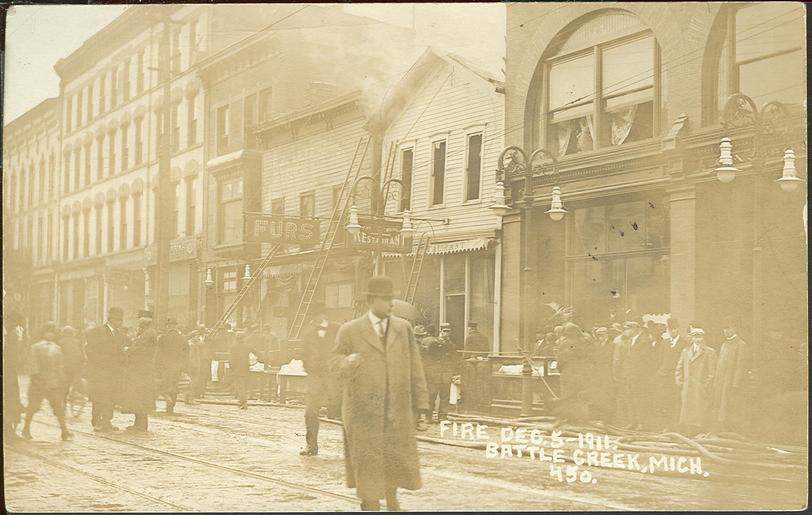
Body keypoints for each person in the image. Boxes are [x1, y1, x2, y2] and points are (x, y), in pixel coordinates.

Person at [330, 276, 428, 512]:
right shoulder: (350, 330)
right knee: (368, 460)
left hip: (396, 408)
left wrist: (422, 406)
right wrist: (347, 361)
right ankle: (370, 504)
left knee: (393, 457)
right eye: (385, 299)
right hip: (363, 410)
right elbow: (333, 363)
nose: (390, 303)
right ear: (371, 301)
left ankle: (392, 501)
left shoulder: (402, 329)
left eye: (391, 298)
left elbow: (415, 367)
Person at [299, 304, 340, 456]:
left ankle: (353, 448)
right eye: (314, 316)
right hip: (315, 378)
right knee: (310, 411)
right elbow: (304, 354)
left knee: (344, 411)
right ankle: (311, 446)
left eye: (319, 315)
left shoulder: (338, 329)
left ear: (324, 315)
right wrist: (310, 370)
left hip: (334, 377)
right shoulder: (308, 333)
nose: (317, 319)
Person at [21, 323, 73, 441]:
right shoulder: (36, 347)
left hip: (53, 383)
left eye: (52, 333)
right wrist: (36, 377)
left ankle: (64, 431)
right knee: (33, 407)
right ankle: (26, 428)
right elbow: (32, 363)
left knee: (58, 407)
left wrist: (62, 379)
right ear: (43, 333)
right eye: (48, 332)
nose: (50, 335)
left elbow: (60, 366)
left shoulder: (57, 348)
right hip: (38, 382)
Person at [84, 307, 127, 431]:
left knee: (111, 397)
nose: (120, 322)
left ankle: (107, 421)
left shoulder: (120, 334)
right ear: (110, 319)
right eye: (117, 320)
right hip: (100, 371)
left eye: (121, 320)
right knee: (99, 397)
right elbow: (89, 349)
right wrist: (99, 363)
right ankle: (97, 421)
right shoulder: (98, 332)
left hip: (114, 372)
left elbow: (121, 351)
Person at [675, 326, 717, 435]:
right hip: (687, 386)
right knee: (686, 410)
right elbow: (679, 368)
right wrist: (680, 382)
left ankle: (698, 431)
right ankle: (687, 430)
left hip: (699, 387)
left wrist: (704, 385)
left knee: (698, 410)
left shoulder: (709, 352)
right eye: (695, 337)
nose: (697, 339)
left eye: (699, 337)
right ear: (692, 338)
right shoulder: (685, 351)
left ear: (703, 338)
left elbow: (712, 372)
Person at [711, 317, 751, 433]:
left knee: (730, 406)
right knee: (720, 405)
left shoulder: (741, 345)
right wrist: (716, 381)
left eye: (729, 328)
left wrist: (735, 384)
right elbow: (720, 364)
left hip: (730, 382)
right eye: (724, 329)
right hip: (721, 381)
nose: (726, 331)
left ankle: (731, 430)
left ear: (735, 329)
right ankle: (721, 429)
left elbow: (740, 366)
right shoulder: (724, 344)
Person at [121, 310, 158, 432]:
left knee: (141, 396)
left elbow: (142, 350)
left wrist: (128, 350)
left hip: (142, 370)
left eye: (139, 318)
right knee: (137, 396)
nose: (138, 321)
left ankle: (141, 425)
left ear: (144, 319)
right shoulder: (144, 332)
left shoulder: (148, 333)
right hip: (139, 369)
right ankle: (138, 423)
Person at [420, 322, 458, 423]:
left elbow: (454, 357)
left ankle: (443, 416)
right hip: (434, 373)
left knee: (445, 396)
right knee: (432, 395)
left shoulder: (451, 345)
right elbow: (432, 355)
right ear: (440, 332)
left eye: (448, 332)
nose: (446, 334)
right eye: (444, 331)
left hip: (446, 373)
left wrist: (453, 372)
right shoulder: (434, 343)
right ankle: (428, 416)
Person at [655, 317, 686, 431]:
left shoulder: (684, 343)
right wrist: (660, 371)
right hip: (664, 377)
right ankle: (666, 426)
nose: (672, 331)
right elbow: (660, 359)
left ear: (678, 329)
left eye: (674, 329)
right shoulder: (664, 343)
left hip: (676, 377)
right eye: (670, 329)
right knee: (665, 401)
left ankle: (676, 426)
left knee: (676, 401)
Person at [626, 320, 656, 430]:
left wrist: (641, 375)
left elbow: (647, 361)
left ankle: (642, 423)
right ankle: (632, 421)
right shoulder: (630, 341)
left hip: (640, 376)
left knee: (640, 399)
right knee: (630, 398)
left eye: (628, 329)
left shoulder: (644, 341)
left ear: (635, 329)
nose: (626, 331)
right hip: (631, 374)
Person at [154, 318, 188, 414]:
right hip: (177, 366)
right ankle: (171, 408)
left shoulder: (163, 338)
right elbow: (186, 353)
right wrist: (184, 366)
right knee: (174, 386)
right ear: (176, 326)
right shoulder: (183, 338)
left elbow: (158, 353)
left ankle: (168, 399)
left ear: (168, 326)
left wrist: (157, 366)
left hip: (165, 366)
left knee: (163, 385)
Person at [3, 309, 27, 440]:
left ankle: (9, 430)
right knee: (9, 399)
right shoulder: (11, 335)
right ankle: (8, 431)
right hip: (8, 372)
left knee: (10, 399)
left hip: (10, 371)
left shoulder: (12, 334)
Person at [588, 326, 615, 423]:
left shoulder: (612, 345)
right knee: (598, 396)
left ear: (607, 334)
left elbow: (612, 359)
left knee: (607, 396)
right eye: (598, 335)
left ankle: (608, 417)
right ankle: (600, 416)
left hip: (607, 373)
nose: (600, 336)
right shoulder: (596, 345)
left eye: (602, 334)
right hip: (597, 374)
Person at [611, 323, 633, 428]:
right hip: (630, 372)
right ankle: (628, 421)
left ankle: (623, 421)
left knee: (622, 397)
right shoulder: (631, 341)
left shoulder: (619, 342)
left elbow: (616, 359)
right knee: (628, 397)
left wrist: (615, 373)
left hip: (623, 373)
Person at [57, 326, 85, 405]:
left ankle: (66, 395)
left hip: (67, 365)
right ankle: (72, 393)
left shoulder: (61, 342)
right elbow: (81, 353)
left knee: (66, 382)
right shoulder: (77, 341)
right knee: (75, 380)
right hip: (75, 364)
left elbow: (59, 354)